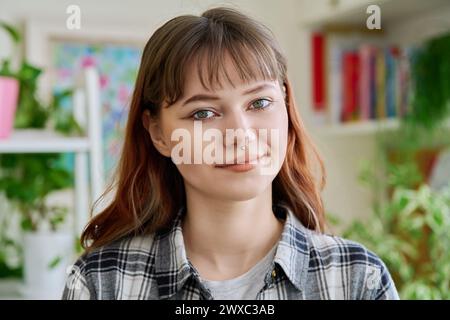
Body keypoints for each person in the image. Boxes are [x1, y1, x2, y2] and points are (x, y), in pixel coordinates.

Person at [62, 7, 399, 300]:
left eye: (260, 103)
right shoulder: (101, 281)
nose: (241, 133)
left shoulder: (358, 279)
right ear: (158, 133)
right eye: (203, 113)